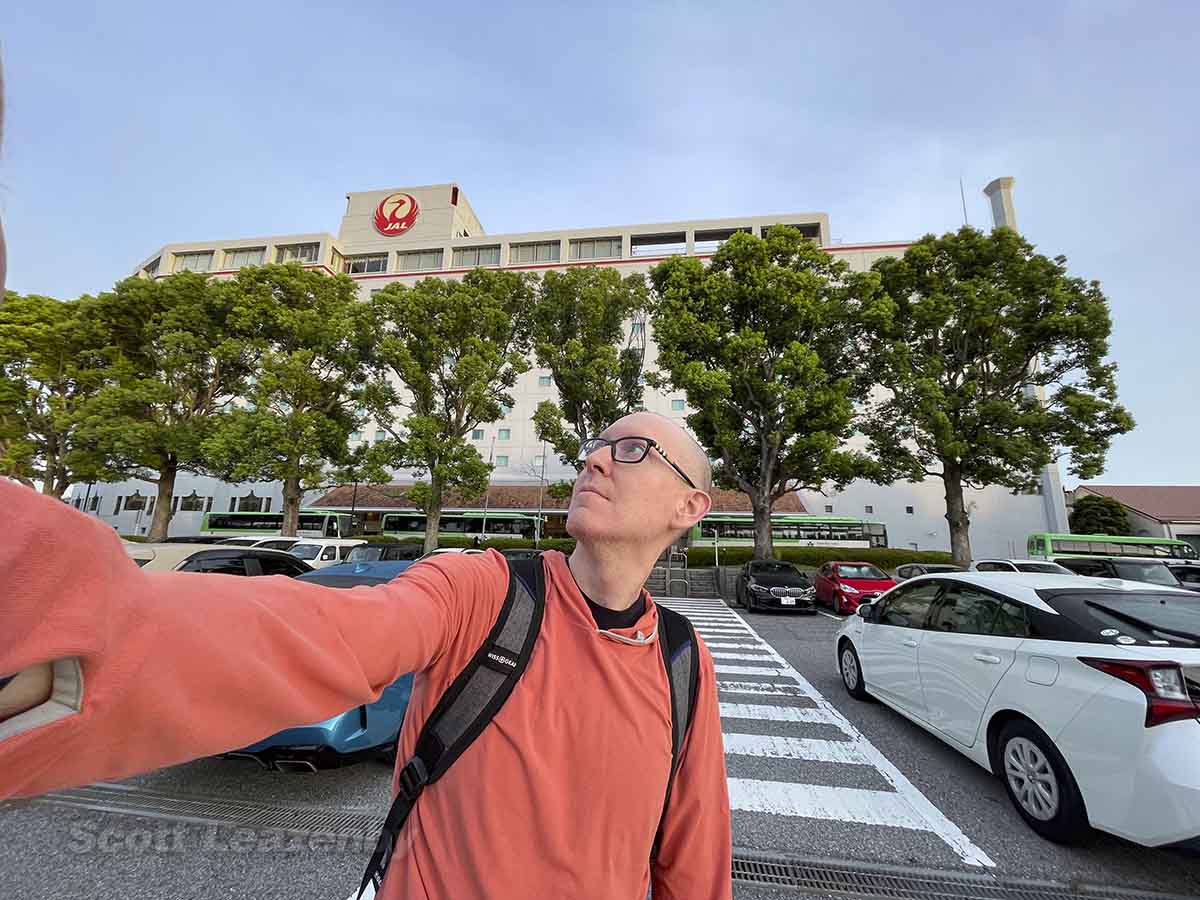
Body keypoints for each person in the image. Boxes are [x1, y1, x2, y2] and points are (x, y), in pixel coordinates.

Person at [0, 404, 732, 899]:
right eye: (595, 447)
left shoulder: (679, 656)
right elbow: (325, 633)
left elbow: (694, 858)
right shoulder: (483, 592)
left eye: (632, 450)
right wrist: (60, 614)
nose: (597, 461)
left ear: (689, 507)